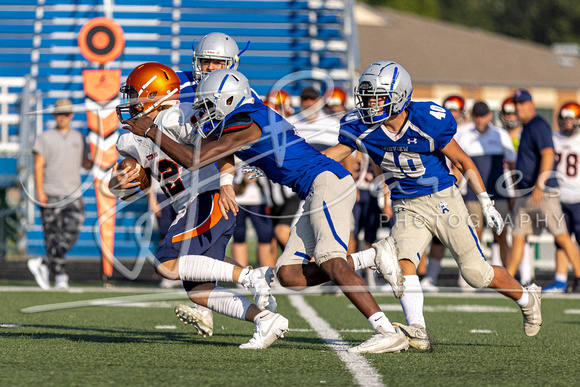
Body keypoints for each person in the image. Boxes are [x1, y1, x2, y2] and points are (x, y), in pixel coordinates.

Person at [122, 68, 410, 354]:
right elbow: (215, 153)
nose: (205, 111)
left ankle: (385, 329)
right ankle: (371, 256)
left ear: (230, 100)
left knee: (330, 260)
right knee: (289, 275)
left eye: (209, 105)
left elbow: (196, 160)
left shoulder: (245, 122)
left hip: (326, 183)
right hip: (312, 188)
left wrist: (150, 130)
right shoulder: (243, 118)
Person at [324, 61, 543, 351]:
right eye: (367, 97)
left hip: (443, 200)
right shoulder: (364, 128)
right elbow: (330, 155)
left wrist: (485, 201)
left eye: (376, 97)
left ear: (398, 96)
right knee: (402, 265)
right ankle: (418, 330)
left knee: (477, 274)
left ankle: (527, 298)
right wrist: (289, 166)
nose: (368, 104)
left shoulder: (427, 121)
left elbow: (465, 162)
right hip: (406, 205)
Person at [109, 62, 287, 349]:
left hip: (206, 197)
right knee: (199, 292)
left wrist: (226, 182)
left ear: (156, 96)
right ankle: (265, 319)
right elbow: (132, 188)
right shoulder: (130, 139)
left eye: (135, 95)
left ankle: (250, 276)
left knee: (166, 266)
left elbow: (218, 145)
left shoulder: (179, 118)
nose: (129, 102)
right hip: (189, 205)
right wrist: (121, 180)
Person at [505, 89, 580, 292]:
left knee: (561, 235)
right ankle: (508, 280)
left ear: (530, 104)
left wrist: (540, 184)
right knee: (518, 235)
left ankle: (579, 275)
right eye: (516, 104)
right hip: (525, 193)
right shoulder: (527, 127)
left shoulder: (538, 125)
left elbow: (548, 154)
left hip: (543, 193)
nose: (517, 108)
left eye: (521, 104)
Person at [27, 98, 93, 290]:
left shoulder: (79, 138)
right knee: (52, 237)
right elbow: (38, 166)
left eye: (65, 114)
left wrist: (99, 155)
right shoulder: (44, 137)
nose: (62, 117)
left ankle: (44, 263)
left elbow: (86, 163)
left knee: (71, 232)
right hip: (51, 192)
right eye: (58, 114)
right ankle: (60, 275)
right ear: (54, 115)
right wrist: (39, 191)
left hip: (73, 193)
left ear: (71, 116)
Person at [455, 101, 516, 266]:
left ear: (489, 116)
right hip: (473, 194)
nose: (480, 120)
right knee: (475, 235)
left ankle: (509, 275)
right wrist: (455, 191)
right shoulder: (465, 136)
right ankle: (473, 274)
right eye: (476, 116)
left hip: (499, 194)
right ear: (472, 117)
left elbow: (512, 165)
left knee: (501, 234)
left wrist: (514, 192)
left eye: (483, 116)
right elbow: (458, 166)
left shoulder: (500, 134)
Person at [419, 94, 467, 292]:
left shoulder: (465, 133)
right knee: (422, 234)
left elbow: (461, 162)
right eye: (450, 109)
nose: (452, 113)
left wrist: (454, 183)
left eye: (455, 110)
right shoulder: (433, 128)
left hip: (450, 190)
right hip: (429, 188)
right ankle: (422, 277)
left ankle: (434, 277)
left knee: (447, 237)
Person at [545, 101, 580, 292]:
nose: (568, 123)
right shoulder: (552, 138)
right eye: (565, 119)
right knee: (560, 240)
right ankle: (560, 281)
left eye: (571, 118)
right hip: (557, 197)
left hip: (579, 197)